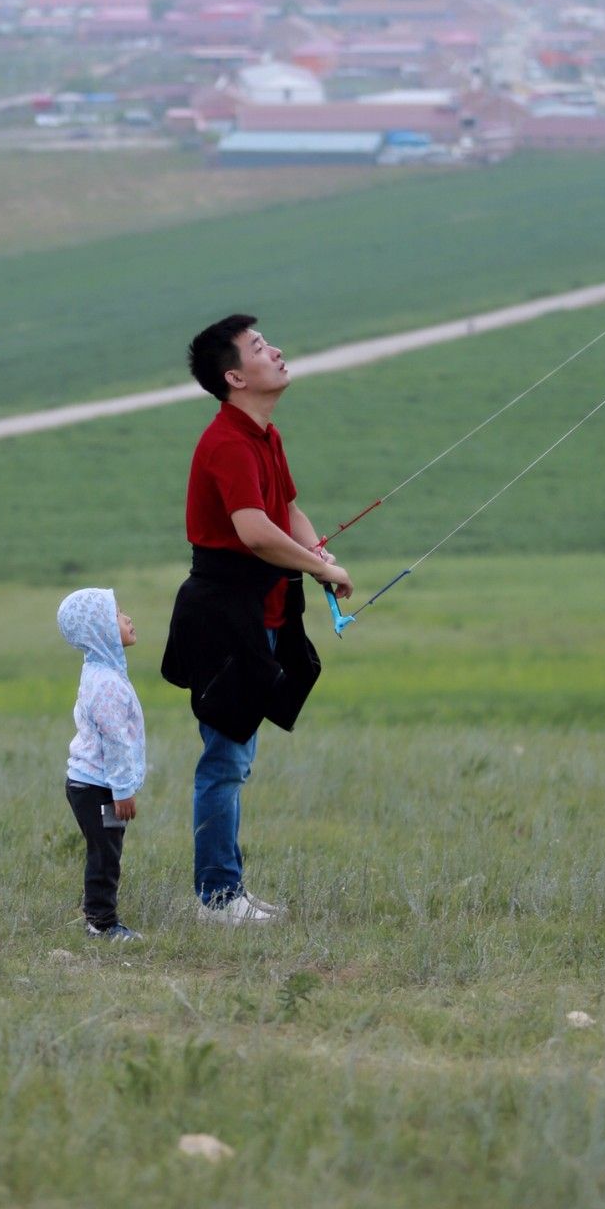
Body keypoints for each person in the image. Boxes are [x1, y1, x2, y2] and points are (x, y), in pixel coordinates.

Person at [161, 315, 353, 926]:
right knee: (225, 759)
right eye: (260, 347)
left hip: (264, 613)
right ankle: (217, 899)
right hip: (224, 619)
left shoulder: (265, 435)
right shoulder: (226, 442)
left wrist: (318, 553)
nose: (276, 351)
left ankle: (227, 891)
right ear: (235, 376)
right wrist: (317, 569)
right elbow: (252, 531)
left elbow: (287, 509)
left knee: (235, 755)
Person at [58, 587, 146, 942]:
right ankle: (102, 923)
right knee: (105, 852)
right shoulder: (107, 683)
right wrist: (123, 791)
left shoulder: (98, 669)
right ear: (99, 631)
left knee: (107, 848)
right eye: (117, 614)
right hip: (99, 788)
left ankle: (98, 911)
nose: (127, 618)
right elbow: (116, 742)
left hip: (93, 784)